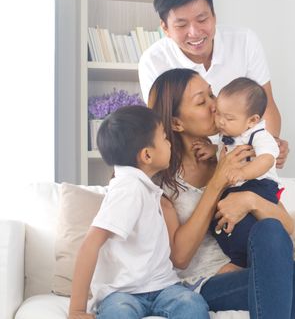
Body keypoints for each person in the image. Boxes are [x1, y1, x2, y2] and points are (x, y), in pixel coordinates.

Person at [148, 68, 295, 318]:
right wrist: (217, 183)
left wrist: (249, 199)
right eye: (201, 101)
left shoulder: (240, 154)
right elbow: (181, 257)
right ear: (176, 122)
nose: (214, 105)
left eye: (211, 95)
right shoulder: (163, 180)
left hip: (255, 267)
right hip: (203, 282)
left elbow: (287, 226)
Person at [68, 105, 209, 319]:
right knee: (119, 312)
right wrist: (76, 310)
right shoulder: (128, 189)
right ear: (147, 155)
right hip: (122, 293)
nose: (170, 143)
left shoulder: (145, 188)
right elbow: (91, 243)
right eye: (164, 138)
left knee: (192, 304)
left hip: (163, 287)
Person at [138, 0, 290, 168]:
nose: (194, 32)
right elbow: (163, 128)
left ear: (214, 15)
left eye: (202, 19)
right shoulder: (153, 61)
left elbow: (266, 107)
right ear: (165, 28)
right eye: (182, 25)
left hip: (245, 156)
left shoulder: (244, 41)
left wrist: (268, 145)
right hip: (188, 161)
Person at [192, 77, 282, 269]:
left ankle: (246, 258)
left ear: (252, 120)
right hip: (238, 187)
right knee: (217, 219)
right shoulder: (231, 134)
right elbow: (224, 152)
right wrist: (212, 151)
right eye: (219, 114)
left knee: (244, 223)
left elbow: (267, 160)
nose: (221, 122)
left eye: (229, 118)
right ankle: (239, 257)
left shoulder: (259, 135)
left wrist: (243, 173)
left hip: (259, 185)